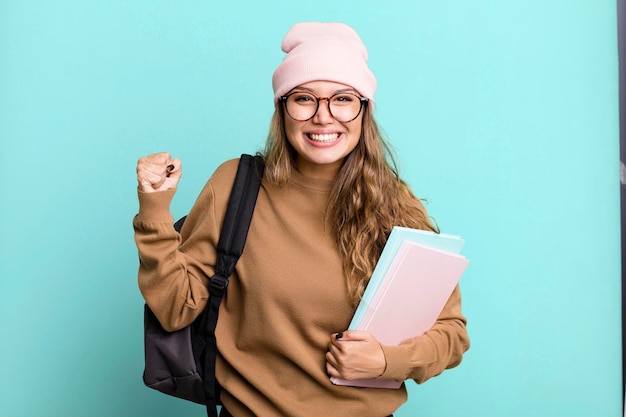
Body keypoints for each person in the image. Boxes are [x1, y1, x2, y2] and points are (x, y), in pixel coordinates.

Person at [134, 21, 469, 417]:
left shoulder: (395, 204)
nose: (324, 117)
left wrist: (384, 362)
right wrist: (154, 209)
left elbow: (451, 334)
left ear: (364, 111)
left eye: (343, 99)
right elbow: (175, 308)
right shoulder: (236, 187)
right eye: (304, 98)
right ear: (282, 108)